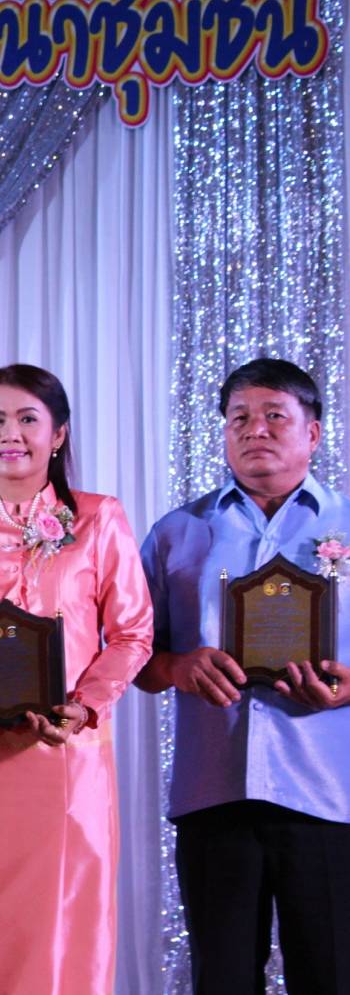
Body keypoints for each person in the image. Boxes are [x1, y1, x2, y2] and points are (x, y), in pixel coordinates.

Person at [0, 364, 152, 995]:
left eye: (27, 419)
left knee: (69, 924)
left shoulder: (98, 518)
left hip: (68, 751)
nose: (9, 434)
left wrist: (86, 705)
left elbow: (133, 633)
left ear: (59, 435)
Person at [136, 358, 350, 993]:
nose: (255, 429)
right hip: (214, 793)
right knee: (223, 980)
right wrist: (177, 665)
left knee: (332, 976)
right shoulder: (177, 533)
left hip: (328, 795)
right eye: (239, 418)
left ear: (313, 432)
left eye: (275, 415)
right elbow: (127, 654)